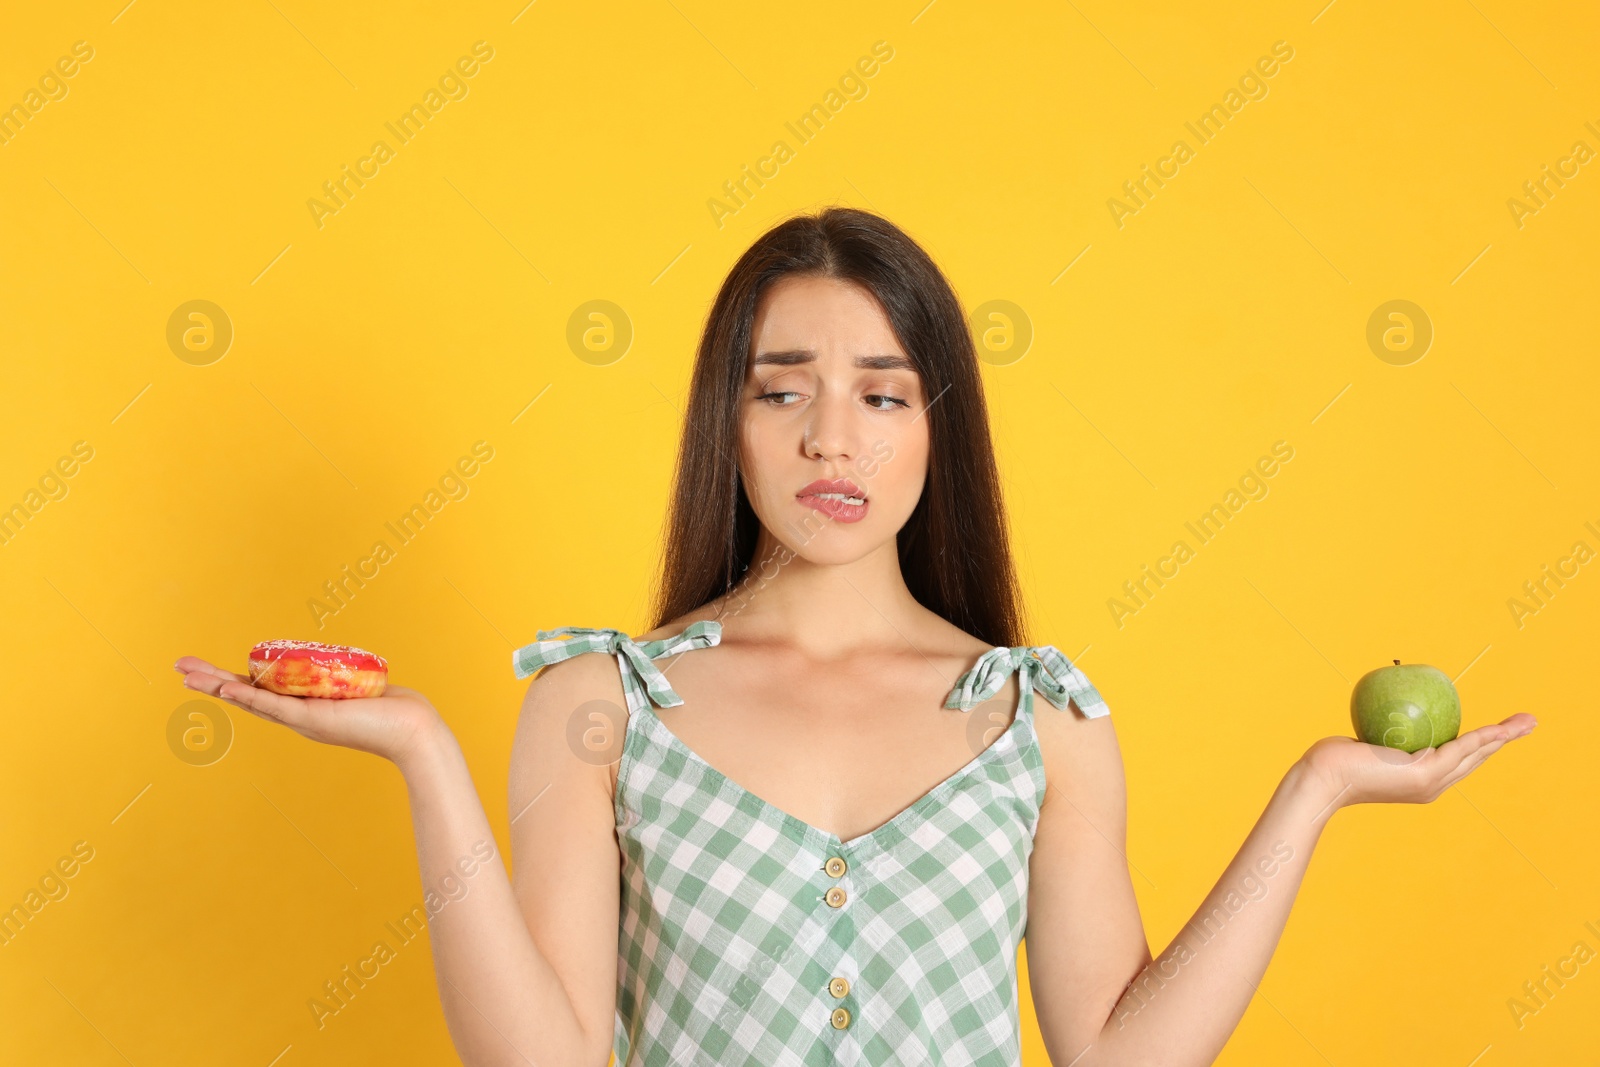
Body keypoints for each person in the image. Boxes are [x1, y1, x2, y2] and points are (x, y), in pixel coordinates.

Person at [176, 207, 1535, 1066]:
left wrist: (1318, 792)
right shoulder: (603, 700)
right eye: (785, 393)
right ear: (731, 419)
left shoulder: (1040, 719)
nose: (834, 434)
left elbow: (1123, 1057)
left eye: (883, 395)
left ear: (938, 430)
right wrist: (422, 751)